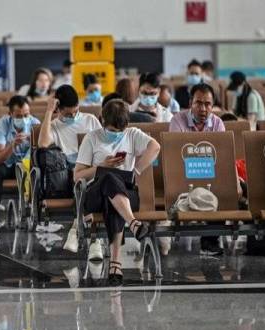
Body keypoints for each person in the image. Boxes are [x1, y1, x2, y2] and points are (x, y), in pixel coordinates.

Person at [75, 99, 160, 285]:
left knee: (114, 197)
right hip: (94, 194)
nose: (116, 135)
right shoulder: (92, 138)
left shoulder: (132, 135)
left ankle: (116, 263)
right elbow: (78, 176)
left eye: (119, 131)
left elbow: (155, 147)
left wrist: (135, 170)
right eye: (112, 131)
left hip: (125, 196)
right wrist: (101, 166)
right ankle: (133, 225)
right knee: (108, 177)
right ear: (102, 121)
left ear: (126, 125)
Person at [169, 83, 234, 257]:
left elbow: (220, 157)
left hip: (210, 175)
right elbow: (175, 156)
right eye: (199, 103)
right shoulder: (177, 121)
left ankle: (209, 242)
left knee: (222, 189)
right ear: (191, 102)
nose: (203, 108)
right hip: (183, 174)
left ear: (213, 106)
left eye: (208, 104)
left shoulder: (218, 123)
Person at [38, 85, 102, 254]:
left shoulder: (90, 120)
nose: (73, 116)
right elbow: (43, 144)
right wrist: (48, 111)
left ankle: (75, 230)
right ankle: (94, 240)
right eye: (68, 114)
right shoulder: (54, 125)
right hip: (69, 172)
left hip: (91, 168)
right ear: (58, 108)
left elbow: (101, 148)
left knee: (90, 183)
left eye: (76, 111)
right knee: (81, 184)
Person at [0, 96, 41, 234]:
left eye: (26, 114)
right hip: (8, 164)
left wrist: (31, 142)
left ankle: (41, 217)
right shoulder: (3, 124)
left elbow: (40, 153)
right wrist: (12, 145)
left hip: (27, 166)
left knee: (40, 171)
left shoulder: (35, 124)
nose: (23, 118)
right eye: (19, 116)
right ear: (10, 114)